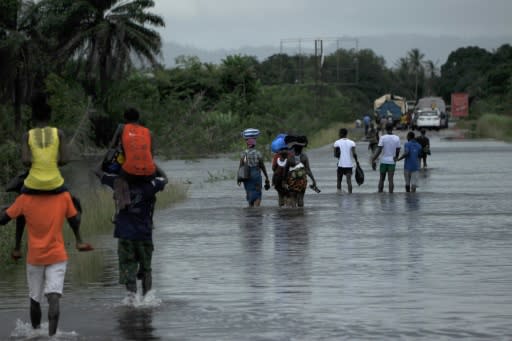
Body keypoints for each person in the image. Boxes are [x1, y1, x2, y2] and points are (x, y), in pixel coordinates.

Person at [0, 192, 92, 336]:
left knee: (35, 299)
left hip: (35, 258)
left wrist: (8, 207)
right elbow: (75, 219)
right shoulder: (63, 197)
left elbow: (3, 219)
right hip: (57, 256)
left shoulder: (24, 199)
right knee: (54, 297)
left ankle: (36, 334)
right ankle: (52, 337)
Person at [94, 163, 168, 297]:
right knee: (146, 270)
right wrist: (150, 162)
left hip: (125, 236)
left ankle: (133, 304)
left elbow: (97, 172)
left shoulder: (118, 183)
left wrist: (110, 156)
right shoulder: (151, 185)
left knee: (129, 270)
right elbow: (165, 178)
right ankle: (147, 302)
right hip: (145, 235)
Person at [21, 91, 68, 193]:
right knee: (70, 200)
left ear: (33, 117)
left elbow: (25, 161)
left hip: (33, 183)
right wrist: (53, 163)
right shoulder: (59, 134)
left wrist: (36, 163)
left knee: (21, 195)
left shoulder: (27, 135)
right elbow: (64, 160)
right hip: (55, 182)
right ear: (49, 116)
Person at [237, 137, 270, 207]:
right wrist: (266, 177)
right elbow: (262, 166)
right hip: (256, 175)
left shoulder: (244, 153)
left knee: (249, 192)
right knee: (257, 193)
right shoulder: (258, 153)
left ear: (247, 145)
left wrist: (238, 178)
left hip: (246, 176)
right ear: (254, 145)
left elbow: (241, 166)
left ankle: (251, 212)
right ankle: (256, 211)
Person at [285, 138, 318, 207]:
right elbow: (308, 170)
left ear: (294, 147)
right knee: (301, 198)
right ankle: (301, 214)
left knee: (293, 197)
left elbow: (286, 170)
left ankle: (294, 213)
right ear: (302, 148)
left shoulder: (290, 157)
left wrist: (284, 181)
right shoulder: (304, 156)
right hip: (302, 180)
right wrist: (313, 180)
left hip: (292, 180)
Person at [371, 122, 401, 193]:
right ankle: (391, 196)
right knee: (390, 179)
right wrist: (396, 157)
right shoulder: (397, 138)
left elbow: (379, 150)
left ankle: (380, 194)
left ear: (386, 129)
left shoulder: (382, 138)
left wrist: (373, 159)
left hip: (384, 161)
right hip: (392, 161)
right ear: (393, 128)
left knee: (381, 179)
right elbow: (398, 149)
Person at [333, 128, 359, 194]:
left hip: (340, 164)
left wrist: (339, 156)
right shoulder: (352, 142)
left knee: (339, 180)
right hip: (349, 165)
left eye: (339, 133)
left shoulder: (337, 143)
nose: (338, 134)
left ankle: (339, 193)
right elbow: (354, 154)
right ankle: (350, 194)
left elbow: (335, 155)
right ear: (346, 134)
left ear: (341, 134)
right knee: (349, 181)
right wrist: (357, 162)